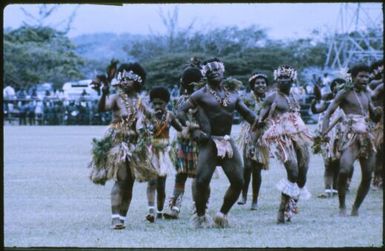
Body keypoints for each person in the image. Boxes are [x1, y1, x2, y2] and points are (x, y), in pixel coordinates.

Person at [178, 58, 257, 228]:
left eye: (217, 69)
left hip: (227, 141)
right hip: (209, 142)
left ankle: (222, 215)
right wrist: (193, 130)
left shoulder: (233, 95)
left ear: (223, 72)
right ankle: (200, 216)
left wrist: (262, 123)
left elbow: (249, 115)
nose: (214, 72)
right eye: (210, 71)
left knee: (239, 181)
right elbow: (180, 112)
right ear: (205, 75)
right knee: (201, 180)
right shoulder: (200, 94)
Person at [88, 62, 158, 229]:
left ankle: (122, 218)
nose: (125, 82)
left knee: (130, 183)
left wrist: (151, 122)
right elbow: (102, 108)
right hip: (118, 144)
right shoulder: (115, 98)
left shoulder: (141, 101)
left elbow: (153, 119)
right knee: (121, 179)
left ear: (137, 81)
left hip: (135, 145)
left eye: (129, 79)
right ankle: (115, 218)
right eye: (123, 79)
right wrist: (103, 93)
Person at [321, 64, 380, 216]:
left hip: (366, 136)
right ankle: (342, 206)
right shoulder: (344, 92)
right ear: (353, 77)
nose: (364, 79)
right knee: (343, 170)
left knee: (367, 175)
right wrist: (324, 133)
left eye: (367, 76)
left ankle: (356, 208)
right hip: (350, 136)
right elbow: (328, 114)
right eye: (361, 76)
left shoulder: (367, 93)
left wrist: (378, 113)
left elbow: (373, 115)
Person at [257, 65, 313, 224]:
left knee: (302, 175)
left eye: (286, 78)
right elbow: (262, 115)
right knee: (293, 171)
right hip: (282, 137)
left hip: (298, 135)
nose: (282, 80)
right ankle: (281, 210)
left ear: (292, 80)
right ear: (276, 80)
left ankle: (292, 204)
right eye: (280, 78)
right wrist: (260, 122)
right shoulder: (272, 97)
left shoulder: (294, 97)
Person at [164, 66, 209, 220]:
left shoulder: (204, 100)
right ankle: (175, 208)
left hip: (199, 142)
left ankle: (200, 208)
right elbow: (178, 120)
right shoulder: (182, 101)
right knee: (182, 176)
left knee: (200, 177)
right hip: (185, 143)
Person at [144, 86, 183, 223]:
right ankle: (151, 211)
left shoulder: (170, 115)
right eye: (154, 103)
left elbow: (180, 128)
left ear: (166, 103)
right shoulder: (148, 115)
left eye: (160, 103)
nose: (157, 106)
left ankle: (160, 211)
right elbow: (142, 130)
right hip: (151, 151)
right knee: (152, 182)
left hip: (164, 152)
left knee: (161, 184)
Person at [311, 78, 353, 198]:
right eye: (335, 90)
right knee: (329, 163)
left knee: (341, 163)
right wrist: (314, 101)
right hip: (329, 135)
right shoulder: (329, 104)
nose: (338, 93)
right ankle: (328, 188)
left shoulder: (349, 105)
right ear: (333, 92)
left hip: (344, 136)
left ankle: (337, 187)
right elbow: (315, 110)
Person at [236, 72, 270, 210]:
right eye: (257, 83)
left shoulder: (269, 99)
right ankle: (244, 195)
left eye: (263, 83)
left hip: (263, 134)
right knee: (248, 166)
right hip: (248, 132)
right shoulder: (246, 98)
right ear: (252, 85)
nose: (261, 85)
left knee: (257, 169)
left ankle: (255, 200)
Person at [369, 60, 384, 189]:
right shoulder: (377, 85)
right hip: (379, 121)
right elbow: (371, 97)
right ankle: (377, 178)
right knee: (379, 151)